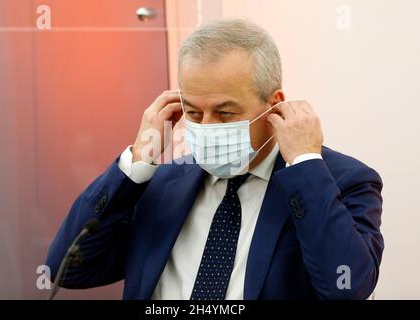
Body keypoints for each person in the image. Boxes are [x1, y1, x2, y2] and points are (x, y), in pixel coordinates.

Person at [46, 19, 384, 300]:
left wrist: (306, 164)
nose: (206, 127)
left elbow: (346, 289)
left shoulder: (341, 180)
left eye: (224, 113)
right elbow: (69, 269)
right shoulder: (163, 183)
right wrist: (137, 161)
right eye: (194, 112)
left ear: (275, 105)